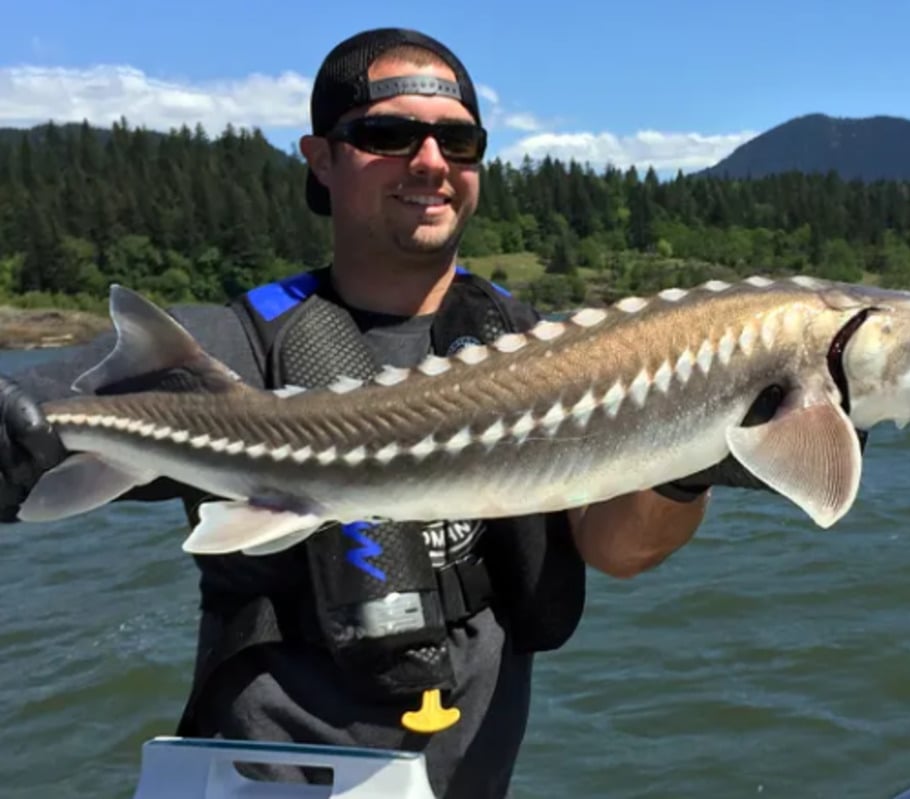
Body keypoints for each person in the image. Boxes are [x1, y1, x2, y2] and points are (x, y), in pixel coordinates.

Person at [0, 27, 781, 799]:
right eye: (389, 134)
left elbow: (618, 548)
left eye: (459, 140)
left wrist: (691, 461)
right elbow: (39, 407)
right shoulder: (235, 343)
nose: (432, 162)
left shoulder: (540, 346)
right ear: (321, 160)